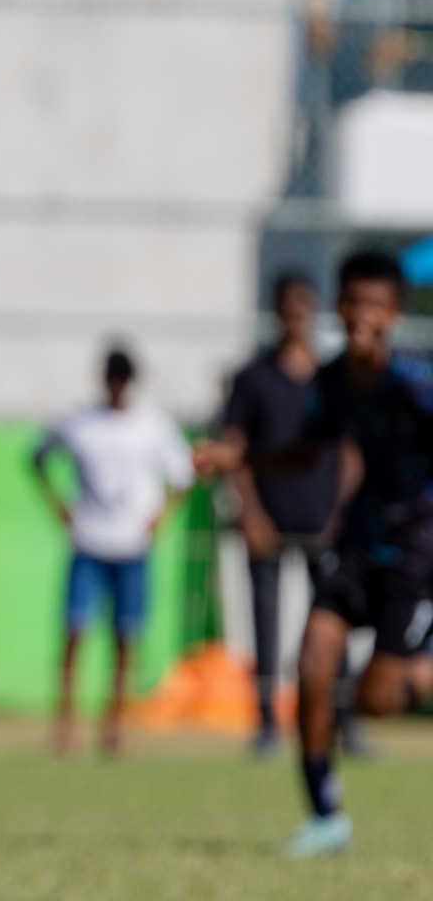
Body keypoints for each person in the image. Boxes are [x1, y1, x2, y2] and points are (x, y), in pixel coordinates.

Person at [196, 251, 433, 857]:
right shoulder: (329, 380)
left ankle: (419, 666)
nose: (361, 315)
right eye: (353, 302)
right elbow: (306, 451)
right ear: (340, 306)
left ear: (394, 316)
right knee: (313, 666)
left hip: (414, 550)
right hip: (356, 544)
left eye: (376, 306)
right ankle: (326, 815)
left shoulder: (411, 385)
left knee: (379, 701)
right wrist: (236, 459)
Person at [219, 275, 357, 756]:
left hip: (325, 525)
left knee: (332, 624)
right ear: (276, 312)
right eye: (289, 308)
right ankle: (266, 724)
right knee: (267, 624)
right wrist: (249, 512)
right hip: (270, 523)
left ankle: (344, 724)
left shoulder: (332, 380)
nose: (298, 317)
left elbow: (349, 453)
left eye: (306, 307)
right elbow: (234, 451)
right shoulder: (253, 377)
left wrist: (344, 514)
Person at [33, 347, 193, 756]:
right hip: (88, 541)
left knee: (127, 635)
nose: (117, 386)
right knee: (76, 631)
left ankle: (116, 723)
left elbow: (182, 476)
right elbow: (38, 458)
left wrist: (160, 518)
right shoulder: (80, 423)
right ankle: (67, 722)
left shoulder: (153, 426)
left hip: (132, 546)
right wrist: (58, 505)